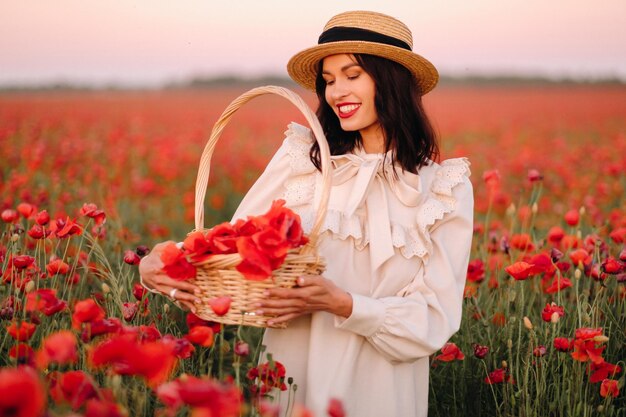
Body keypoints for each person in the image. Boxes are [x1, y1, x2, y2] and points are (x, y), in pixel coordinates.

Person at [139, 10, 474, 417]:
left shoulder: (442, 190)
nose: (336, 93)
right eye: (329, 81)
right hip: (289, 381)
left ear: (391, 79)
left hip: (382, 391)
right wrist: (168, 262)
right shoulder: (302, 161)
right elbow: (238, 245)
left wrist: (345, 304)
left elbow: (434, 320)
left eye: (352, 74)